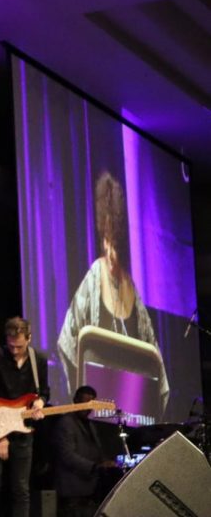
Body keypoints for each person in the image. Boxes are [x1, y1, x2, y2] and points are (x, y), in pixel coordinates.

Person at [57, 171, 169, 414]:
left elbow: (155, 358)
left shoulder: (130, 286)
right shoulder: (95, 274)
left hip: (133, 403)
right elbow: (67, 340)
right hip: (98, 402)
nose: (111, 249)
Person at [0, 317, 49, 517]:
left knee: (21, 489)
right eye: (11, 346)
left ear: (29, 338)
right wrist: (0, 437)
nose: (15, 351)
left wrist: (40, 403)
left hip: (22, 429)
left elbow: (43, 391)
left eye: (19, 346)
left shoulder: (39, 361)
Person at [52, 385, 119, 517]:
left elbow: (96, 450)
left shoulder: (90, 425)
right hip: (71, 491)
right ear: (75, 400)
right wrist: (95, 466)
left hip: (88, 490)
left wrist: (106, 461)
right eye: (84, 402)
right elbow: (67, 455)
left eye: (91, 403)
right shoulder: (66, 422)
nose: (87, 407)